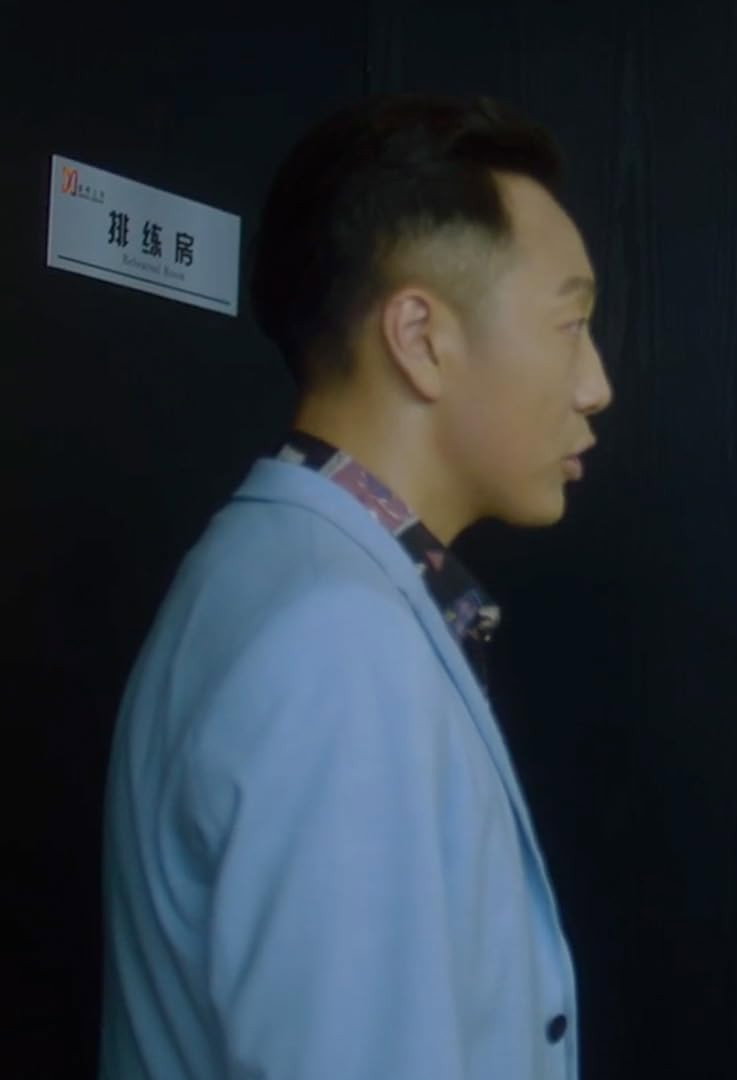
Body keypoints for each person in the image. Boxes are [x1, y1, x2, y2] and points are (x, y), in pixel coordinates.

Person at [100, 94, 611, 1079]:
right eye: (571, 322)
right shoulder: (336, 643)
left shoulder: (267, 569)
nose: (596, 384)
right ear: (420, 336)